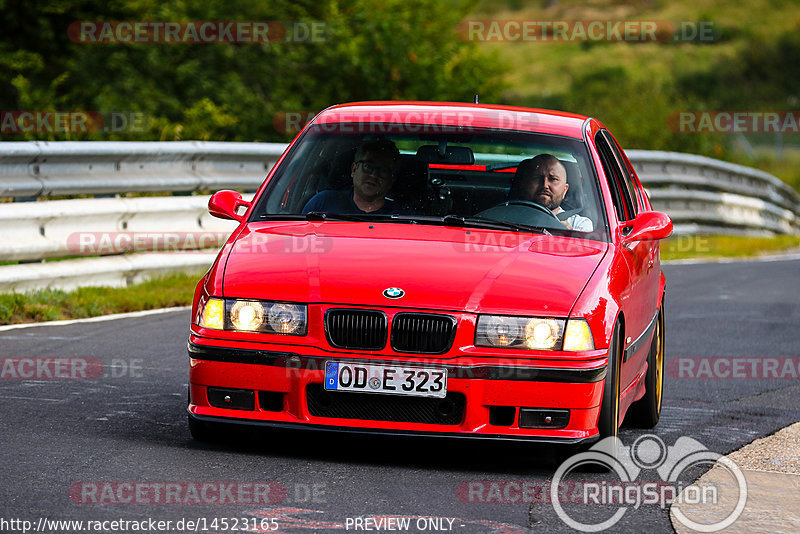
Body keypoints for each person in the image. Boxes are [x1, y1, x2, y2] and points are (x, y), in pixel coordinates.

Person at [302, 139, 407, 215]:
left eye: (383, 170)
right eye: (368, 166)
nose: (374, 175)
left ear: (392, 178)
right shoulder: (322, 204)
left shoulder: (405, 218)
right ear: (354, 169)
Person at [509, 154, 593, 231]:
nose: (545, 185)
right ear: (525, 185)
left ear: (565, 190)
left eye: (553, 179)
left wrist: (570, 236)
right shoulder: (505, 220)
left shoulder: (579, 225)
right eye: (537, 178)